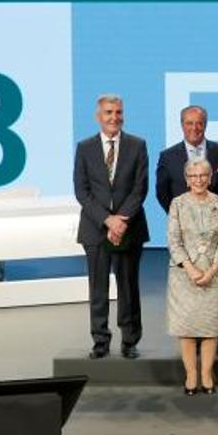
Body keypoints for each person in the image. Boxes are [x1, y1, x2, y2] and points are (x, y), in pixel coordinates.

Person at [156, 105, 218, 358]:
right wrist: (182, 222)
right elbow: (163, 193)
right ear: (182, 125)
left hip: (217, 237)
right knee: (190, 293)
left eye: (199, 123)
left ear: (206, 124)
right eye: (189, 123)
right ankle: (192, 339)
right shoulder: (168, 156)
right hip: (187, 239)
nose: (194, 128)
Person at [73, 93, 149, 360]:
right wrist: (107, 220)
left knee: (129, 287)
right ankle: (100, 340)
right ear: (98, 116)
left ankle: (130, 340)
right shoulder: (84, 148)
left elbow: (140, 189)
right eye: (108, 112)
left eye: (118, 112)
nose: (114, 117)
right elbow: (82, 192)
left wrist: (121, 220)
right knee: (98, 288)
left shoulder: (137, 145)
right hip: (95, 229)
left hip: (129, 227)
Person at [166, 157, 218, 395]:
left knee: (209, 326)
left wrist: (213, 269)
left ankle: (206, 374)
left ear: (210, 178)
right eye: (193, 176)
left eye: (203, 175)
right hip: (184, 273)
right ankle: (191, 375)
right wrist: (192, 269)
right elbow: (173, 240)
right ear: (186, 179)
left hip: (214, 273)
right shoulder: (177, 204)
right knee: (187, 326)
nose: (199, 180)